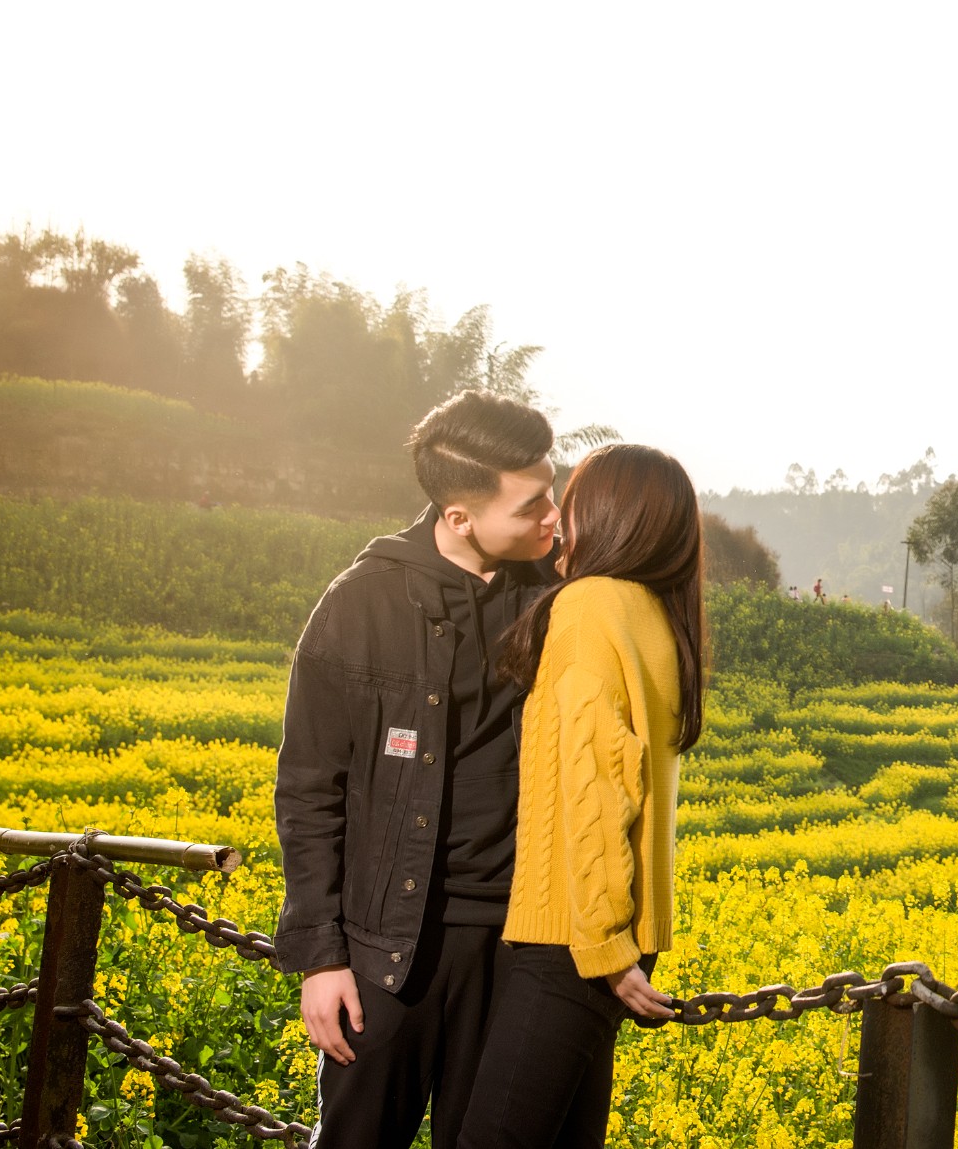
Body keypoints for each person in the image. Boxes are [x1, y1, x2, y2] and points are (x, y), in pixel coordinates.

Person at [272, 391, 559, 1149]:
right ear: (459, 516)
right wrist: (321, 959)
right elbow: (308, 790)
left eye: (552, 492)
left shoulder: (560, 597)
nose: (553, 516)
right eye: (531, 505)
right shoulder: (360, 603)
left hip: (518, 946)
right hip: (387, 951)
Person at [456, 443, 702, 1149]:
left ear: (607, 516)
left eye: (573, 503)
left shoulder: (589, 605)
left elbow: (597, 786)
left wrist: (602, 944)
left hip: (572, 936)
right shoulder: (653, 611)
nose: (560, 520)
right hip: (610, 935)